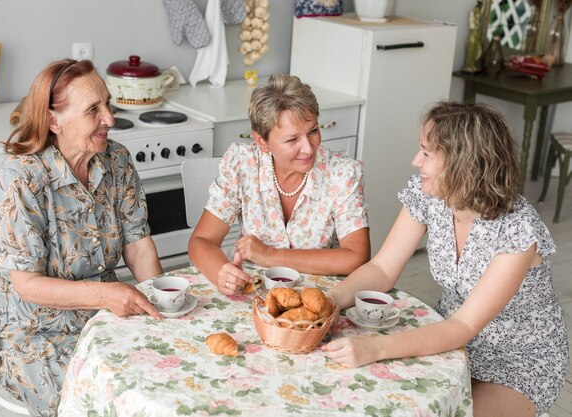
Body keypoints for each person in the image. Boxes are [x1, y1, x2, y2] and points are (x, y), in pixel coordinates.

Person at [323, 102, 569, 417]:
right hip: (448, 334)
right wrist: (330, 300)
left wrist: (376, 348)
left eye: (426, 153)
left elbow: (464, 324)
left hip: (518, 359)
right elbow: (382, 268)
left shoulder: (517, 229)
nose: (415, 161)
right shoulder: (428, 196)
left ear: (463, 163)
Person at [0, 58, 164, 416]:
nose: (109, 118)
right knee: (99, 402)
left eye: (107, 103)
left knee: (157, 378)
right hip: (31, 332)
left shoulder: (118, 162)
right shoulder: (20, 179)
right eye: (93, 110)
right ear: (53, 120)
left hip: (101, 316)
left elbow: (138, 245)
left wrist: (160, 302)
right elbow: (28, 284)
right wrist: (106, 294)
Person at [188, 74, 370, 294]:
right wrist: (221, 273)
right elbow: (201, 241)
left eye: (313, 131)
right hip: (254, 294)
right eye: (292, 140)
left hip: (319, 298)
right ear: (262, 142)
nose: (309, 148)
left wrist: (270, 255)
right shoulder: (243, 165)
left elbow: (356, 257)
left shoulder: (342, 173)